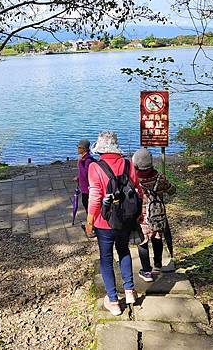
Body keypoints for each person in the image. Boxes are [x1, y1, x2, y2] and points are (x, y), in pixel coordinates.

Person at [85, 131, 141, 316]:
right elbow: (138, 191)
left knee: (106, 258)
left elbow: (95, 197)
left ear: (100, 148)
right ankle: (130, 291)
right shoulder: (128, 163)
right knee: (124, 251)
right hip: (126, 218)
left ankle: (113, 301)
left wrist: (89, 221)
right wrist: (139, 214)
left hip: (104, 221)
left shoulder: (95, 167)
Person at [132, 148, 176, 282]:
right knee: (157, 238)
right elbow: (172, 190)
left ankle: (146, 271)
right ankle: (158, 265)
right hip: (158, 216)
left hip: (142, 217)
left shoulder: (135, 180)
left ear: (136, 164)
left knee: (143, 242)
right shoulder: (159, 178)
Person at [74, 139, 94, 212]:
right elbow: (82, 173)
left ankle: (90, 220)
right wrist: (78, 178)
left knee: (86, 203)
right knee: (85, 202)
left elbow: (86, 173)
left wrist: (79, 163)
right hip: (83, 185)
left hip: (87, 186)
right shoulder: (83, 158)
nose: (77, 149)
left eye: (79, 147)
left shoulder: (88, 160)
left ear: (84, 149)